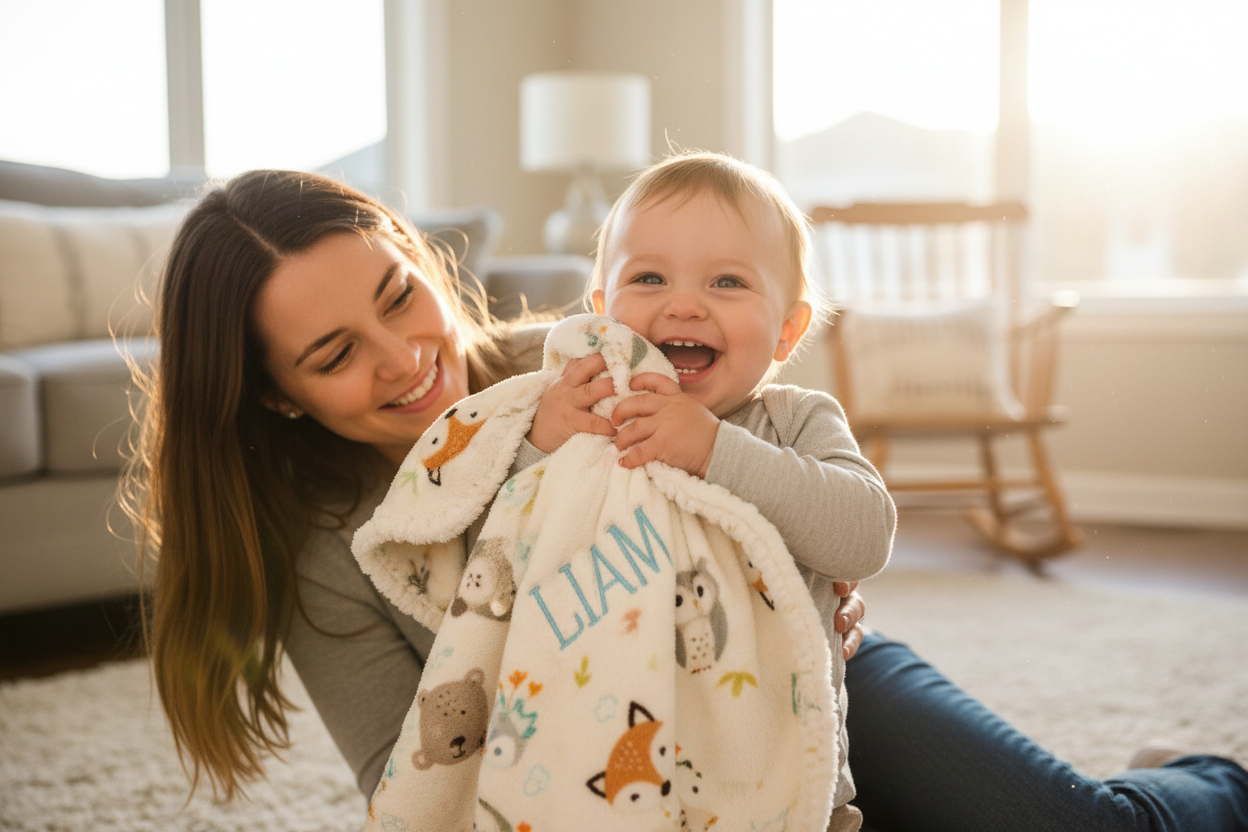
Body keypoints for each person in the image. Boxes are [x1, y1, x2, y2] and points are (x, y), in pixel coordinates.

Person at [126, 166, 1248, 831]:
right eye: (333, 354)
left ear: (420, 258)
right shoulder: (330, 547)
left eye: (397, 296)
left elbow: (801, 482)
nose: (405, 358)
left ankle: (1201, 780)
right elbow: (412, 779)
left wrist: (809, 578)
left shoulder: (593, 360)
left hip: (813, 680)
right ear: (273, 395)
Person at [516, 150, 894, 829]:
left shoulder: (795, 422)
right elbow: (504, 557)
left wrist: (715, 449)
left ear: (787, 329)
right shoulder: (581, 417)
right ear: (601, 311)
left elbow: (864, 536)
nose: (684, 304)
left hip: (787, 788)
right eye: (649, 277)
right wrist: (537, 450)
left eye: (727, 281)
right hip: (610, 780)